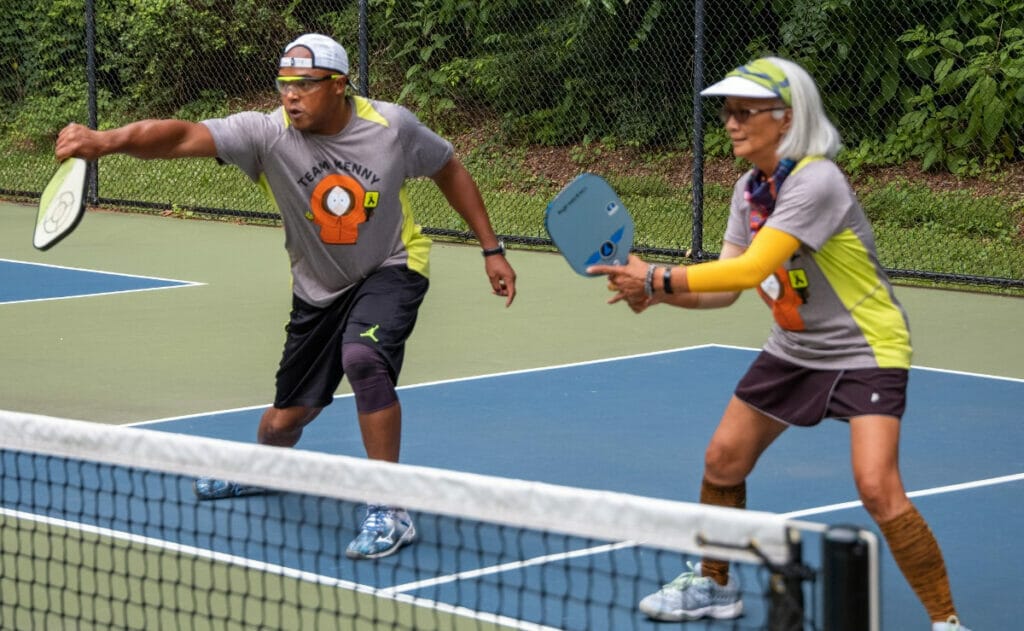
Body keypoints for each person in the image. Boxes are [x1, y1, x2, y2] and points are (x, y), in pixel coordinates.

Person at [55, 33, 517, 560]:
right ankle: (265, 467)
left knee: (364, 359)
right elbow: (182, 136)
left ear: (339, 85)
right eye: (284, 85)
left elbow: (448, 167)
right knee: (282, 423)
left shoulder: (393, 128)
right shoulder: (266, 134)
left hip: (392, 265)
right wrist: (106, 140)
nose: (290, 96)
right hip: (317, 288)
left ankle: (390, 507)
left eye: (304, 85)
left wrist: (491, 248)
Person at [587, 58, 969, 630]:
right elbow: (726, 285)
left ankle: (946, 622)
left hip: (865, 347)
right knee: (723, 458)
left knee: (877, 486)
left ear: (786, 118)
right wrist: (659, 293)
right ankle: (716, 582)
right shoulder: (750, 190)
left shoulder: (816, 181)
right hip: (794, 346)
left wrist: (657, 277)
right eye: (727, 112)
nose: (731, 123)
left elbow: (752, 270)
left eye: (745, 112)